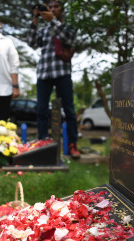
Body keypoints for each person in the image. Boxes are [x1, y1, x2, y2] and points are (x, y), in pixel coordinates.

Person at [27, 0, 80, 158]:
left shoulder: (65, 26)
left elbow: (68, 39)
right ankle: (42, 143)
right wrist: (35, 19)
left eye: (56, 7)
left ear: (61, 10)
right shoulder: (44, 30)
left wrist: (52, 20)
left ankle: (72, 144)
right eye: (50, 7)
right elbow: (31, 42)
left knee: (69, 110)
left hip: (62, 72)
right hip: (44, 74)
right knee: (41, 110)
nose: (53, 9)